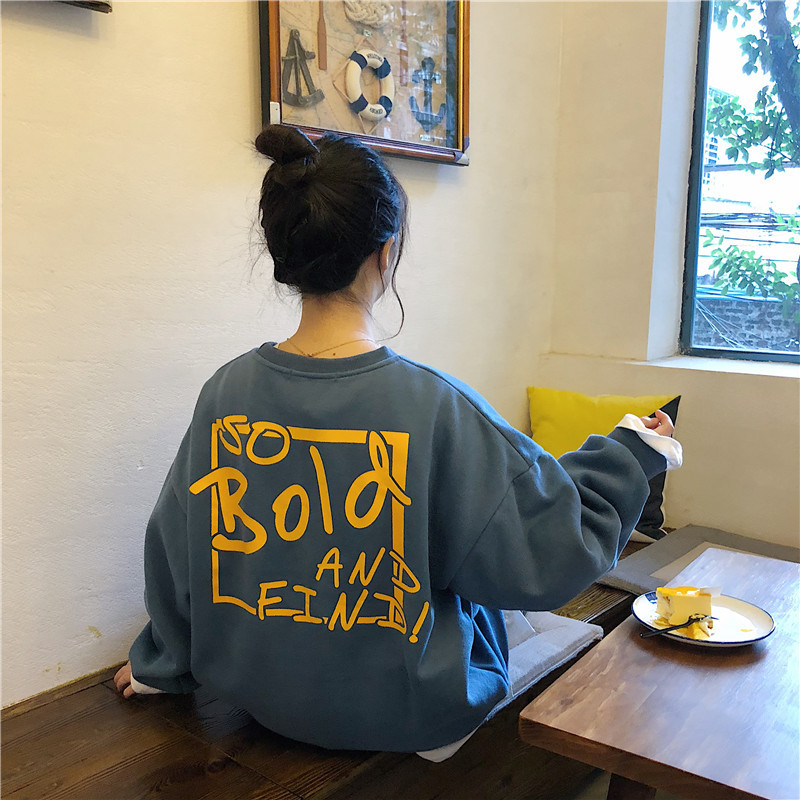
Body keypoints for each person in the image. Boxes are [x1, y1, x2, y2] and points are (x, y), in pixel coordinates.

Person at [115, 125, 681, 759]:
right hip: (411, 711)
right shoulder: (434, 405)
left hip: (261, 699)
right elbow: (551, 546)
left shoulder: (225, 392)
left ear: (282, 252)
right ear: (385, 253)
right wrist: (631, 452)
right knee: (488, 599)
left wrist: (159, 666)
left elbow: (175, 547)